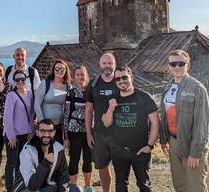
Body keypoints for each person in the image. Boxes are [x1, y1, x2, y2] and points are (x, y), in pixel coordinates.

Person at [159, 50, 209, 192]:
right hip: (174, 142)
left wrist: (195, 152)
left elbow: (202, 123)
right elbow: (165, 115)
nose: (177, 67)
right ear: (169, 66)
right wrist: (164, 140)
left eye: (181, 64)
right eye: (173, 64)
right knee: (180, 185)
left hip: (192, 143)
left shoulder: (197, 89)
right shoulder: (169, 86)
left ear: (188, 65)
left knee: (195, 187)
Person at [102, 66, 159, 192]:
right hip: (119, 149)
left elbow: (155, 122)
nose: (121, 81)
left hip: (140, 149)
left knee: (144, 185)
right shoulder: (112, 99)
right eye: (118, 79)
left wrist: (149, 146)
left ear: (131, 78)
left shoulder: (144, 97)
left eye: (124, 77)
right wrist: (111, 109)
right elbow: (106, 123)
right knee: (121, 184)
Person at [17, 119, 82, 192]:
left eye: (50, 131)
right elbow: (32, 185)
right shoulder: (27, 150)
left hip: (49, 187)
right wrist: (45, 163)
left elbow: (63, 177)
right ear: (37, 132)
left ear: (54, 133)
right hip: (27, 188)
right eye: (42, 131)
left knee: (76, 189)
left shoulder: (58, 148)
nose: (46, 135)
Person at [83, 53, 118, 192]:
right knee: (102, 166)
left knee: (120, 166)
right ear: (100, 65)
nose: (107, 66)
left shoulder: (121, 81)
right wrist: (88, 133)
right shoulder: (94, 84)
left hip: (119, 132)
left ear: (114, 64)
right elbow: (88, 110)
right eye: (104, 63)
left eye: (110, 63)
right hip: (99, 132)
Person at [63, 66, 94, 192]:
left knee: (88, 160)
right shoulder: (70, 93)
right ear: (74, 76)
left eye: (82, 74)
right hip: (74, 132)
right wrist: (65, 137)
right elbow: (65, 116)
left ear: (86, 75)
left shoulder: (92, 92)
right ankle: (73, 187)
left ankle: (88, 187)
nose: (80, 77)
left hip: (89, 132)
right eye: (77, 75)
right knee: (74, 160)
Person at [3, 69, 35, 191]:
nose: (20, 81)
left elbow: (31, 114)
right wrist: (11, 137)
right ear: (13, 81)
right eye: (17, 79)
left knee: (22, 163)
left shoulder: (30, 93)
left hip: (25, 134)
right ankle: (10, 188)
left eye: (22, 79)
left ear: (26, 79)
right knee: (11, 162)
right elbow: (7, 118)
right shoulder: (11, 95)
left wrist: (31, 131)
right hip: (13, 135)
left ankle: (19, 186)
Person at [35, 59, 72, 144]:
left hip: (60, 127)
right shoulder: (45, 83)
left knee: (58, 153)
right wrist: (42, 124)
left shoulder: (68, 86)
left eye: (62, 69)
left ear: (66, 71)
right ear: (53, 70)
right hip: (45, 127)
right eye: (57, 69)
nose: (59, 71)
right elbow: (37, 103)